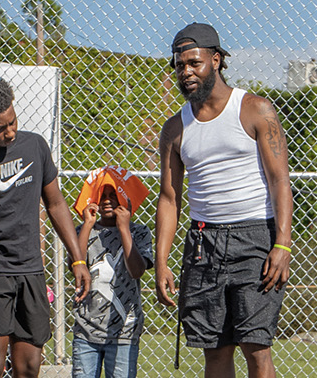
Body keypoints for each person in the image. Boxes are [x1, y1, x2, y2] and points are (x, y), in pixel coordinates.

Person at [153, 23, 295, 378]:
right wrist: (160, 261)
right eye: (179, 65)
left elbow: (280, 182)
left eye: (194, 63)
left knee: (256, 348)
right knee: (214, 351)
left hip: (254, 239)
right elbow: (169, 199)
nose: (185, 72)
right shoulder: (174, 129)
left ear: (216, 60)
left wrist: (282, 245)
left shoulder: (255, 109)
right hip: (203, 244)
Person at [0, 76, 92, 378]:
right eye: (0, 128)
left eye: (12, 122)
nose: (10, 132)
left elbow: (56, 204)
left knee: (28, 367)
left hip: (30, 272)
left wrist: (77, 258)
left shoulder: (35, 146)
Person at [72, 171, 154, 378]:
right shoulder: (83, 230)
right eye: (103, 195)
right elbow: (75, 265)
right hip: (86, 328)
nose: (107, 201)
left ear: (125, 198)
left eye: (114, 195)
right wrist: (88, 225)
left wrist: (124, 229)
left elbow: (137, 271)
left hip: (123, 332)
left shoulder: (139, 232)